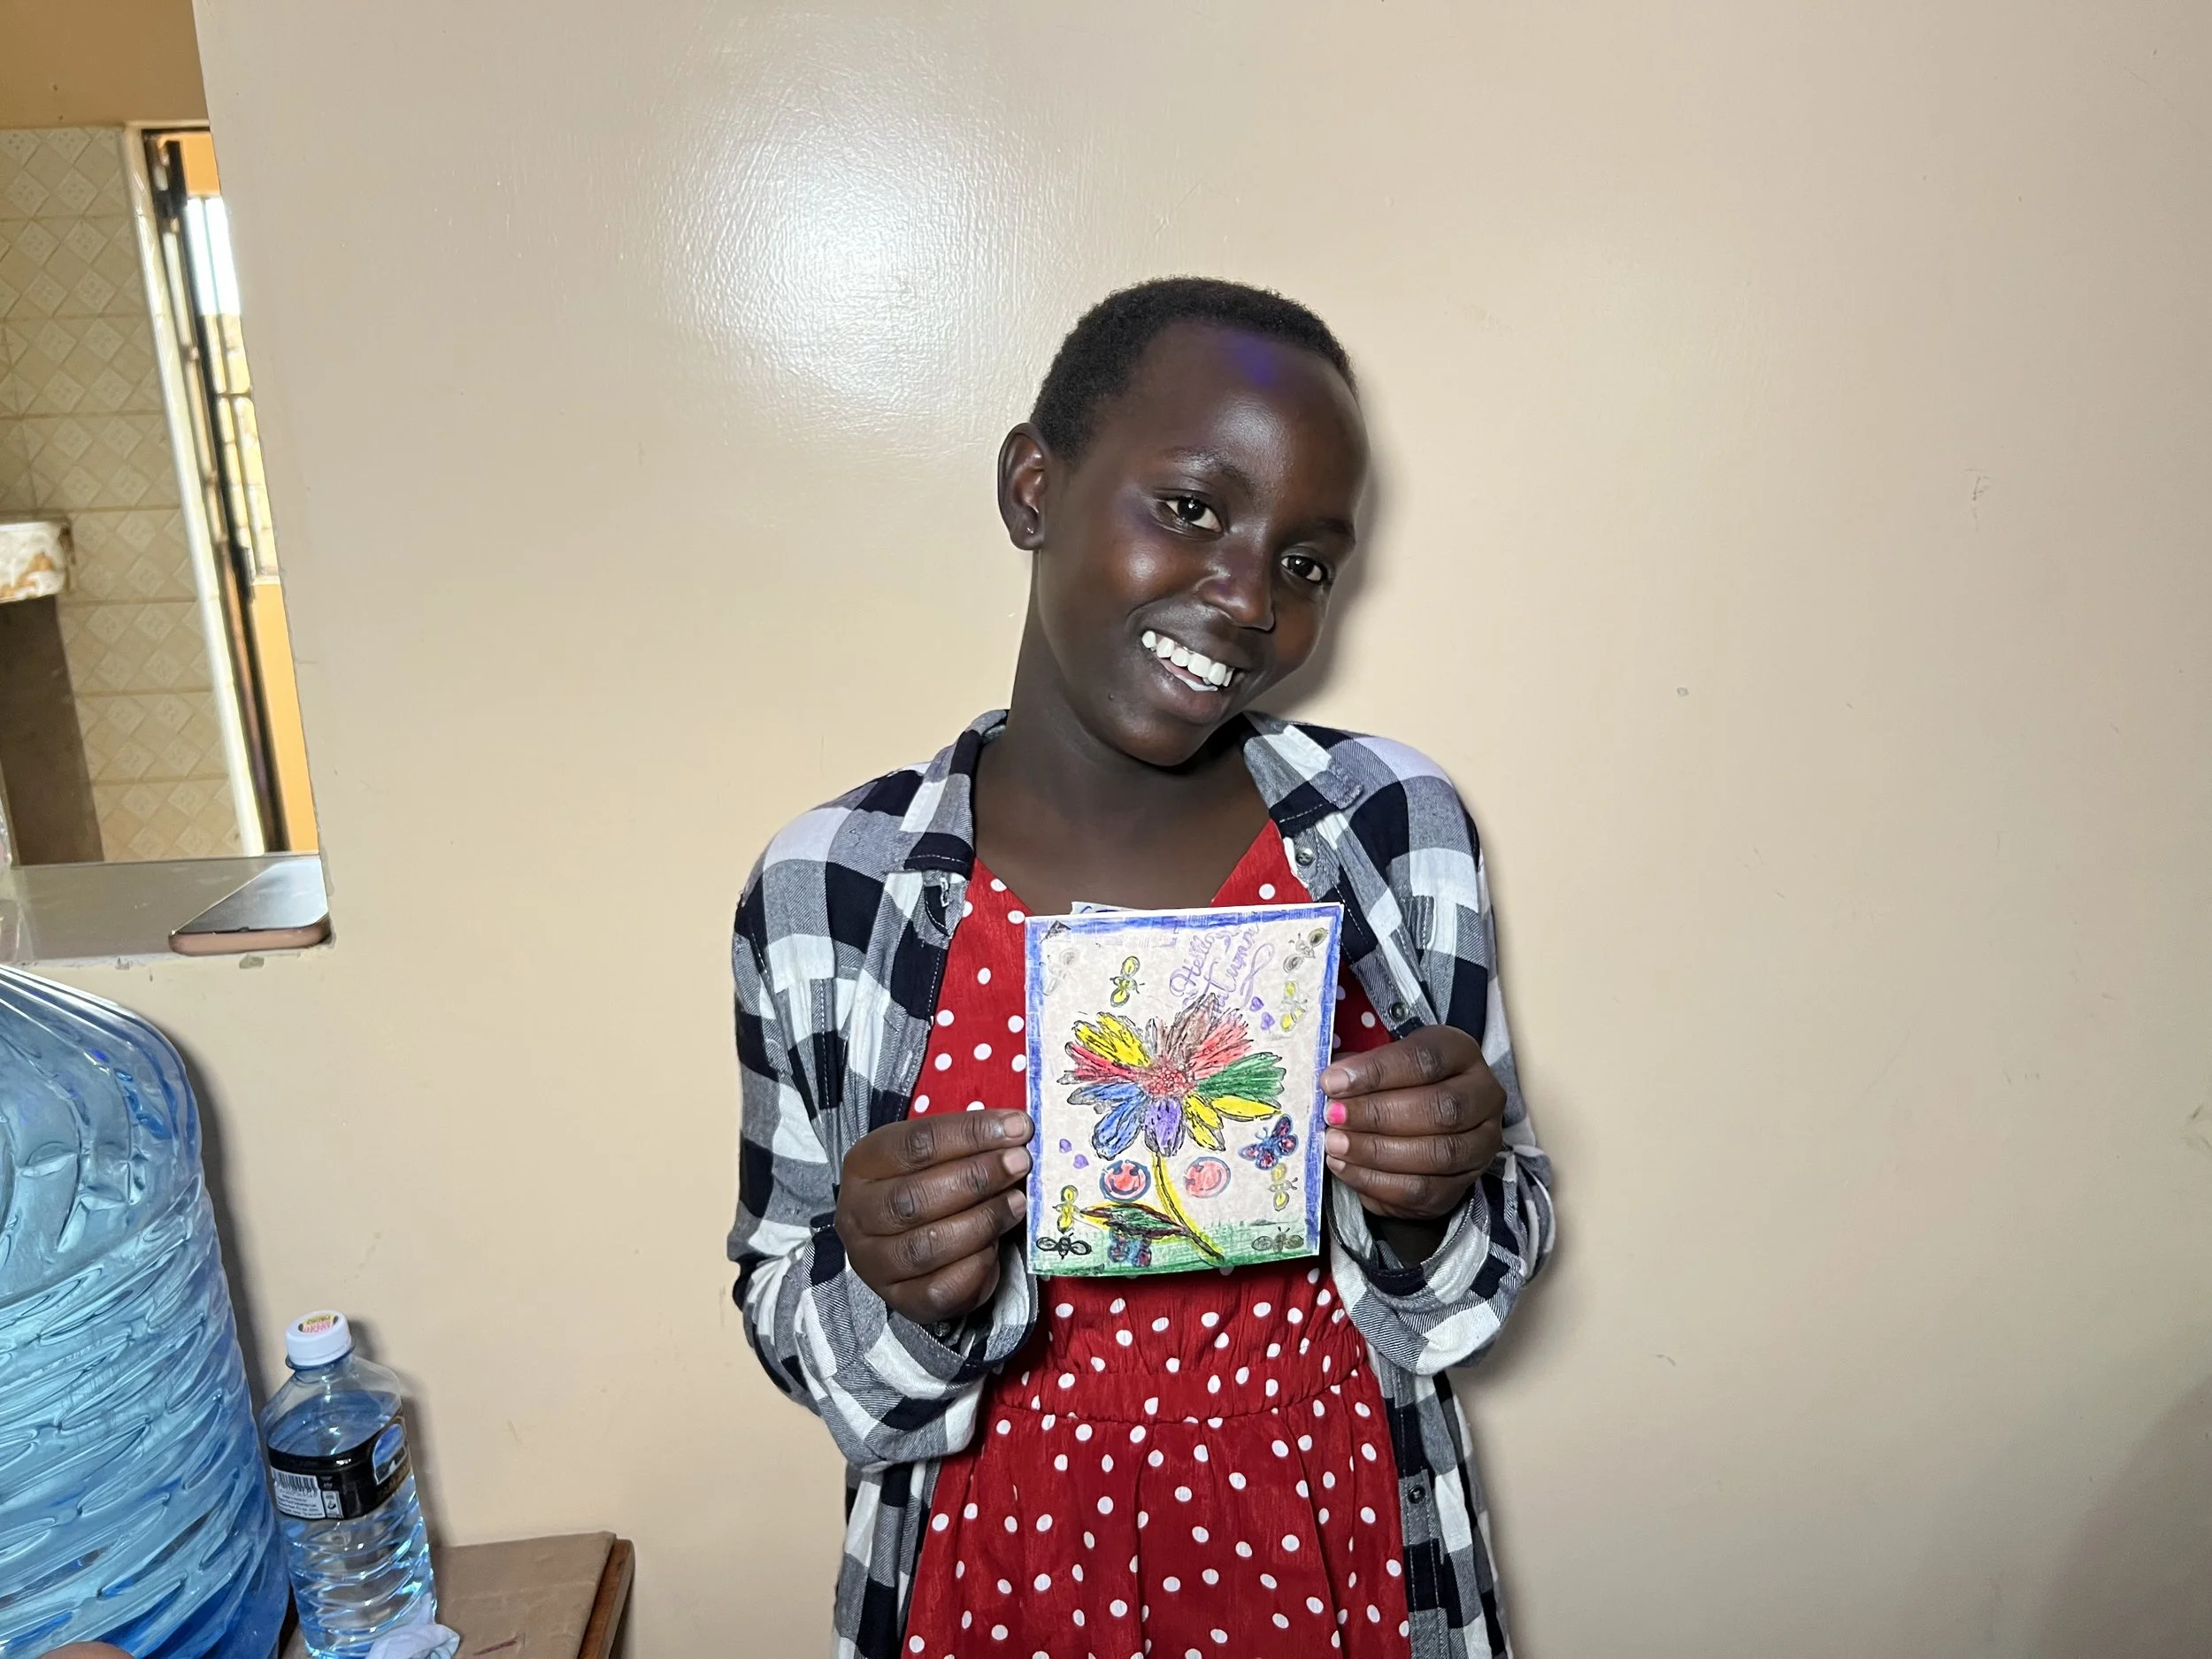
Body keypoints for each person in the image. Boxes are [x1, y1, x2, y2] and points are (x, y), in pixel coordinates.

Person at [727, 278, 1555, 1659]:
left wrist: (1436, 1199)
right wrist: (888, 1281)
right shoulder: (831, 888)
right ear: (1034, 487)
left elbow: (1478, 1283)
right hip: (991, 1566)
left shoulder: (1394, 833)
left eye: (1306, 563)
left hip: (1338, 1544)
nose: (1245, 597)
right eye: (1191, 508)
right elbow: (783, 1307)